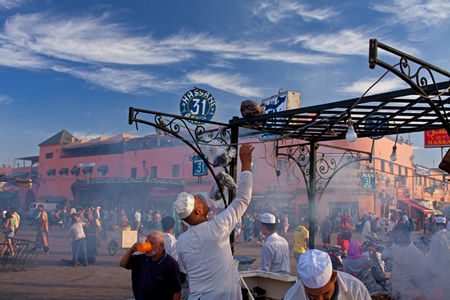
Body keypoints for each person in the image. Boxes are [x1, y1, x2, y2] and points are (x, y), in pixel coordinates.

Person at [174, 144, 254, 299]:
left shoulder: (181, 241)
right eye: (200, 200)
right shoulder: (217, 227)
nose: (204, 201)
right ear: (198, 211)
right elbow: (243, 198)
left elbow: (187, 267)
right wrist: (246, 164)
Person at [284, 249, 371, 300]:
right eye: (313, 297)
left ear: (334, 277)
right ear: (302, 284)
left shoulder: (355, 288)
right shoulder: (292, 296)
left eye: (326, 293)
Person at [120, 231, 182, 300]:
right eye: (146, 243)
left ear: (161, 246)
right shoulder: (141, 259)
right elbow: (123, 264)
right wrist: (131, 250)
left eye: (151, 244)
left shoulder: (170, 264)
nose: (148, 246)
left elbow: (177, 292)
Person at [390, 223, 437, 300]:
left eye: (394, 235)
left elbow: (430, 273)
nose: (393, 237)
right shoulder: (398, 248)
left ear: (402, 236)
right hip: (398, 294)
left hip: (410, 296)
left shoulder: (414, 254)